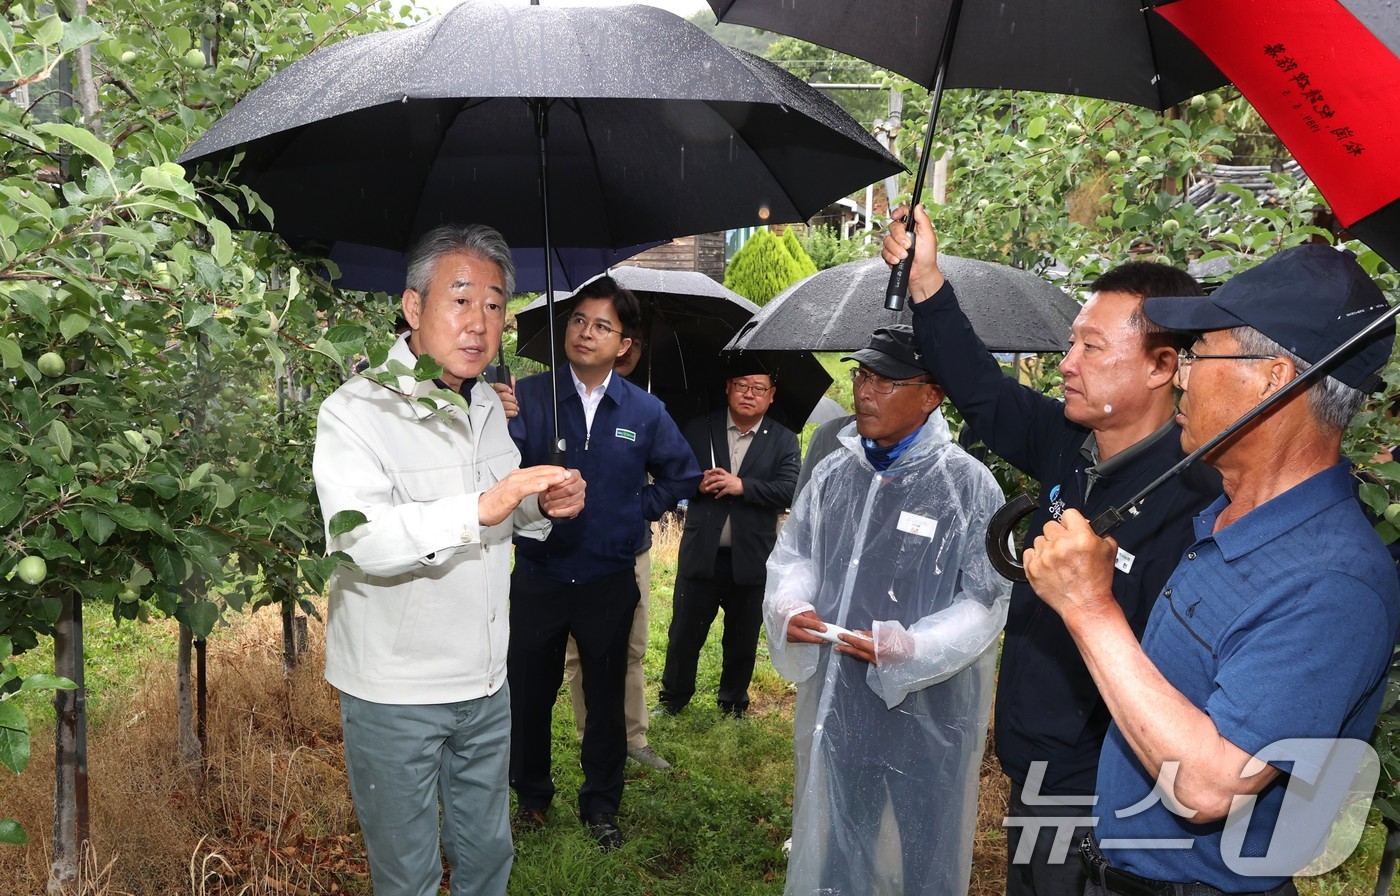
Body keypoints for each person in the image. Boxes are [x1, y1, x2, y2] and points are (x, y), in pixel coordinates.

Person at [1023, 243, 1400, 895]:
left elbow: (1207, 784)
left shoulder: (1333, 582)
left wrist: (1089, 608)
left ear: (1272, 378)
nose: (1182, 375)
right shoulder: (1225, 517)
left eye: (1200, 353)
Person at [883, 205, 1221, 896]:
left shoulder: (1198, 503)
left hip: (1112, 790)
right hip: (1034, 760)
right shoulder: (1067, 443)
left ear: (1163, 366)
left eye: (1092, 348)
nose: (1067, 365)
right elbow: (978, 387)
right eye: (1073, 344)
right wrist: (926, 284)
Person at [313, 224, 586, 896]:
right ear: (413, 308)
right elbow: (359, 538)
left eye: (494, 305)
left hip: (486, 680)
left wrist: (540, 505)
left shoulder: (489, 403)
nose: (479, 323)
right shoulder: (357, 412)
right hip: (397, 690)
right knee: (406, 875)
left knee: (488, 856)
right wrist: (483, 508)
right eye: (459, 300)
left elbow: (503, 511)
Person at [764, 325, 1011, 895]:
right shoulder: (835, 471)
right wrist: (789, 603)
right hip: (843, 692)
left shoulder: (967, 486)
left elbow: (986, 599)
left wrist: (916, 648)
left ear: (931, 395)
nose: (865, 392)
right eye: (862, 376)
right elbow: (796, 552)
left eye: (886, 380)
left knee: (928, 840)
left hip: (931, 709)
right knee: (841, 830)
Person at [507, 276, 701, 848]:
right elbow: (496, 470)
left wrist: (632, 508)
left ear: (624, 344)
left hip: (608, 578)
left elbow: (682, 474)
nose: (586, 333)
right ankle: (532, 798)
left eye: (602, 326)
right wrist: (492, 413)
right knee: (531, 692)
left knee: (606, 694)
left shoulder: (643, 410)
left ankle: (601, 804)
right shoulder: (531, 397)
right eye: (578, 321)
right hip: (539, 574)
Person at [656, 362, 800, 718]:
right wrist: (697, 485)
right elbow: (672, 476)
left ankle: (733, 702)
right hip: (702, 553)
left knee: (742, 637)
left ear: (771, 395)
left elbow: (791, 489)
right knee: (684, 634)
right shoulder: (698, 429)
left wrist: (742, 486)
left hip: (751, 557)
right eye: (741, 385)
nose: (749, 394)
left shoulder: (783, 438)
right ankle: (673, 699)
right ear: (727, 388)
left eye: (758, 388)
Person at [561, 321, 672, 770]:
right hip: (570, 551)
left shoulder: (646, 408)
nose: (623, 348)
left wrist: (640, 502)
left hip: (630, 550)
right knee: (578, 654)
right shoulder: (560, 401)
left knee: (631, 646)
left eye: (631, 341)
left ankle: (633, 737)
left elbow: (671, 472)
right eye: (592, 328)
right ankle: (591, 733)